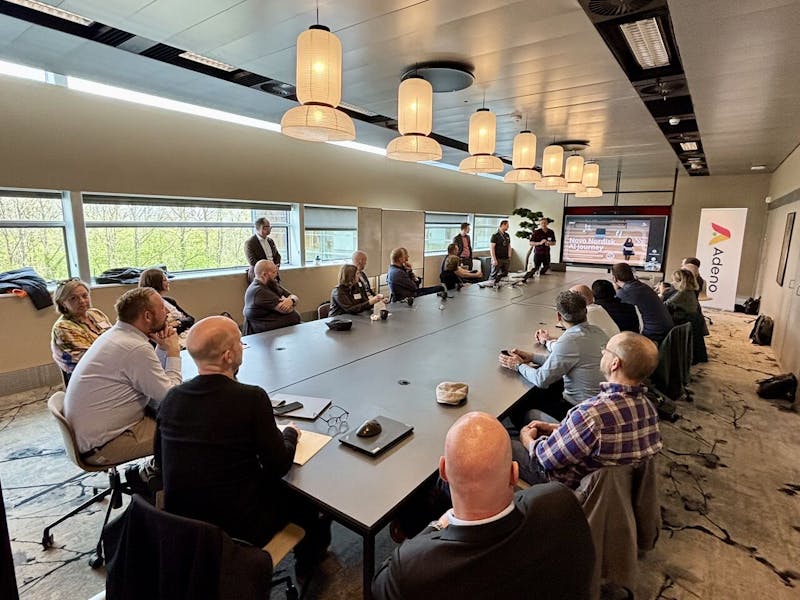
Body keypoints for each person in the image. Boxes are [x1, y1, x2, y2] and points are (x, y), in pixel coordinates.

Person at [156, 316, 329, 579]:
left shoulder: (171, 398)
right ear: (228, 356)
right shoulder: (250, 398)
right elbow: (279, 464)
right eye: (239, 342)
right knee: (306, 499)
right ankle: (310, 565)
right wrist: (291, 434)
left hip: (182, 524)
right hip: (237, 528)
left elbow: (160, 461)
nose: (241, 347)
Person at [371, 412, 595, 600]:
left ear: (443, 471)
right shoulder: (559, 502)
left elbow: (379, 586)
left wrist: (437, 525)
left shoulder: (410, 567)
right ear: (514, 474)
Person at [512, 332, 662, 489]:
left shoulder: (591, 414)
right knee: (533, 415)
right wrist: (556, 429)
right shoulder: (649, 409)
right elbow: (600, 436)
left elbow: (545, 458)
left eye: (606, 350)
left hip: (568, 485)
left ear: (614, 363)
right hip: (614, 488)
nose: (602, 353)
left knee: (506, 443)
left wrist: (527, 440)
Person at [63, 287, 181, 474]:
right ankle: (155, 483)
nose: (167, 311)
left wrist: (163, 347)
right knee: (188, 431)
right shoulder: (134, 348)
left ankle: (153, 475)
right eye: (162, 308)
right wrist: (174, 352)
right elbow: (172, 398)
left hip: (92, 436)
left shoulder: (118, 336)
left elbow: (149, 375)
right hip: (105, 446)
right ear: (147, 316)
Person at [499, 291, 608, 424]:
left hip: (577, 412)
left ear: (558, 316)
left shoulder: (570, 340)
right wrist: (532, 357)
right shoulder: (599, 332)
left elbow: (541, 379)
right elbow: (565, 361)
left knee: (519, 405)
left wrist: (518, 365)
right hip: (599, 406)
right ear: (586, 311)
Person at [50, 278, 112, 385]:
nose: (82, 301)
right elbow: (89, 360)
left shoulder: (95, 314)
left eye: (84, 296)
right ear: (62, 303)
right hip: (86, 378)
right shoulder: (63, 327)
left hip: (110, 367)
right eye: (73, 298)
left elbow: (115, 338)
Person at [611, 262, 673, 344]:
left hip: (654, 334)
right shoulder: (642, 286)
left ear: (614, 279)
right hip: (667, 329)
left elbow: (613, 305)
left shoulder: (625, 292)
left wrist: (616, 289)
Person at [243, 259, 301, 334]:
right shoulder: (259, 291)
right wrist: (290, 302)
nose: (276, 275)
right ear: (264, 275)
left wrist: (291, 300)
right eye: (274, 272)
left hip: (281, 331)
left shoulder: (271, 284)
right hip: (264, 335)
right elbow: (286, 310)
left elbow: (294, 296)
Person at [665, 269, 708, 363]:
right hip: (694, 320)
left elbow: (665, 305)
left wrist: (661, 292)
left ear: (681, 282)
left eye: (674, 280)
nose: (672, 283)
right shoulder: (691, 291)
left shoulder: (682, 293)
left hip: (684, 320)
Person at [138, 268, 195, 334]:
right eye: (164, 280)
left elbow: (191, 319)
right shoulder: (147, 307)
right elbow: (162, 332)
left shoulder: (169, 300)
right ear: (156, 283)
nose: (168, 281)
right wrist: (182, 324)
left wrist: (178, 322)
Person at [244, 217, 282, 283]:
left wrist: (276, 266)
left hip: (273, 274)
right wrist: (268, 269)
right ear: (261, 228)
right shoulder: (250, 243)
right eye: (268, 226)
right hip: (259, 276)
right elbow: (252, 261)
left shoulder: (270, 241)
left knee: (277, 292)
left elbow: (277, 255)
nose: (270, 228)